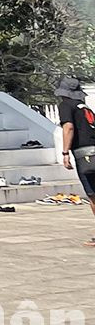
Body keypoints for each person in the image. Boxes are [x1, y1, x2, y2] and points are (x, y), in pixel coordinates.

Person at [58, 77, 95, 246]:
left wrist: (65, 152)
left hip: (86, 154)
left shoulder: (66, 105)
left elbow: (69, 127)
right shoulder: (84, 107)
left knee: (92, 194)